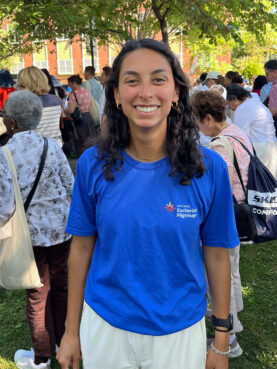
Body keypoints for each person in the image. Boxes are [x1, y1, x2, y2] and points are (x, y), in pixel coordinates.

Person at [57, 38, 239, 369]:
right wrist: (71, 331)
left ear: (177, 92)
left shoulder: (209, 169)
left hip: (180, 334)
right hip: (106, 328)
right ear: (115, 94)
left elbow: (216, 254)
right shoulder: (91, 165)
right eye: (131, 81)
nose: (145, 92)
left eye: (158, 79)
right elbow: (81, 249)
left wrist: (222, 339)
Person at [0, 90, 74, 369]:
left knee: (37, 292)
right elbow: (70, 184)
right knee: (61, 286)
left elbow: (5, 207)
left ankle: (41, 357)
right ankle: (63, 343)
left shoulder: (4, 154)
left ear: (11, 122)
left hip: (30, 235)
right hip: (60, 229)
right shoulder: (51, 146)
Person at [191, 90, 253, 358]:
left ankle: (227, 341)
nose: (196, 128)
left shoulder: (218, 146)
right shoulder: (237, 132)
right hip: (238, 217)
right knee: (231, 276)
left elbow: (220, 188)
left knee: (220, 281)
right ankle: (232, 335)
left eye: (197, 121)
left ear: (207, 118)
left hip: (223, 221)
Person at [226, 83, 277, 177]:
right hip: (270, 145)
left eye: (228, 103)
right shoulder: (253, 101)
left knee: (262, 184)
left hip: (260, 148)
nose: (229, 107)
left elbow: (238, 136)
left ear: (235, 99)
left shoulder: (243, 108)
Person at [16, 66, 62, 145]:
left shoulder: (26, 104)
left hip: (35, 148)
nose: (17, 88)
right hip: (55, 146)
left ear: (27, 85)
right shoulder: (55, 99)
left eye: (21, 85)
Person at [66, 74, 97, 155]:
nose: (70, 87)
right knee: (90, 138)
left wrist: (65, 110)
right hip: (88, 117)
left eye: (70, 84)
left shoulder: (73, 94)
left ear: (73, 83)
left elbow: (71, 111)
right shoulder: (86, 91)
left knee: (80, 140)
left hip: (79, 119)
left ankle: (82, 157)